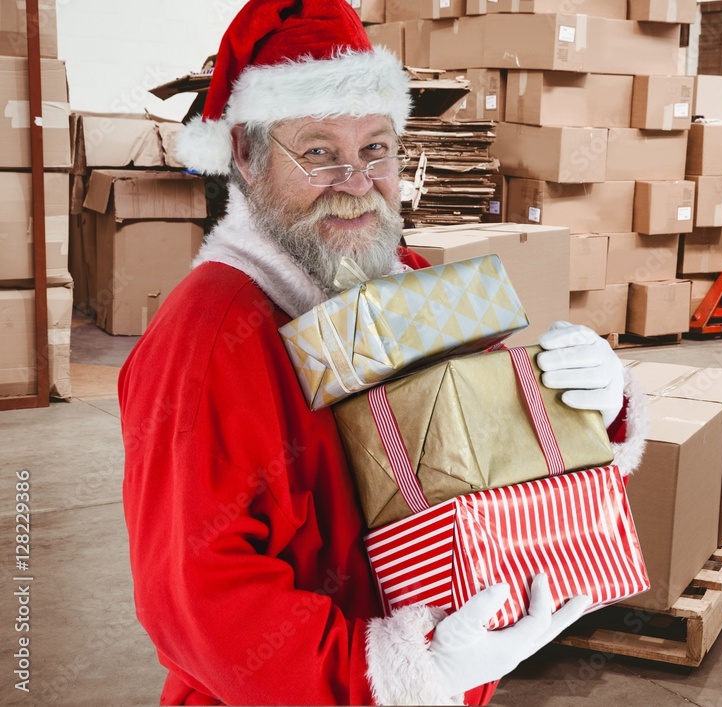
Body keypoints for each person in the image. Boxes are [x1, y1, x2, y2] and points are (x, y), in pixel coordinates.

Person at [119, 1, 648, 704]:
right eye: (317, 152)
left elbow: (500, 449)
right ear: (244, 156)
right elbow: (197, 598)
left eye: (375, 148)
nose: (357, 180)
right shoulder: (212, 333)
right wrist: (402, 678)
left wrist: (595, 412)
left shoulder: (409, 279)